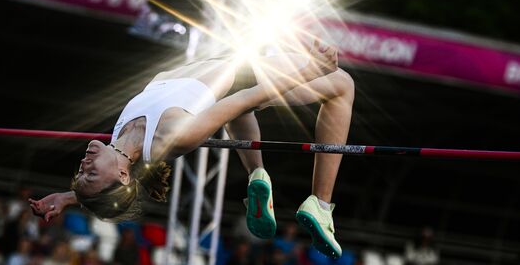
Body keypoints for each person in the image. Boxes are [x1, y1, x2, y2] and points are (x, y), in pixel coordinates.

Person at [29, 40, 355, 259]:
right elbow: (249, 96)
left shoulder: (120, 139)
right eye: (91, 173)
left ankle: (257, 173)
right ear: (123, 175)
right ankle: (321, 204)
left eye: (81, 172)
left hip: (228, 65)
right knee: (342, 86)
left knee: (232, 109)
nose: (84, 163)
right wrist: (308, 71)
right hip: (250, 72)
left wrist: (69, 197)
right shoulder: (171, 138)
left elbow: (111, 189)